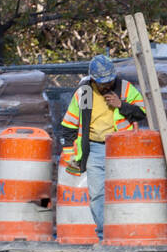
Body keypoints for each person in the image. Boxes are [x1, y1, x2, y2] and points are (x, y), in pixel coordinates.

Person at [59, 55, 147, 239]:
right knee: (97, 194)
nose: (107, 86)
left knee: (124, 192)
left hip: (122, 150)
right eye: (102, 83)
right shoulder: (85, 92)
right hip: (95, 149)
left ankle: (126, 233)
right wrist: (70, 153)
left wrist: (121, 104)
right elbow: (69, 124)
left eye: (109, 81)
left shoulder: (124, 88)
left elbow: (141, 113)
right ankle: (104, 235)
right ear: (93, 79)